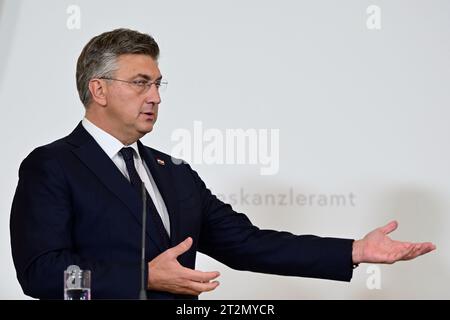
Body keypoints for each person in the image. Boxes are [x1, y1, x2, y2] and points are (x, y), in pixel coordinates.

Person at [10, 28, 436, 300]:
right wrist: (141, 277)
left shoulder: (171, 171)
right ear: (98, 90)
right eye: (141, 83)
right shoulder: (52, 166)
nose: (156, 96)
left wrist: (354, 251)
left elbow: (247, 243)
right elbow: (42, 275)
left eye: (158, 84)